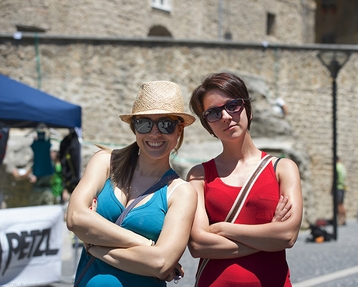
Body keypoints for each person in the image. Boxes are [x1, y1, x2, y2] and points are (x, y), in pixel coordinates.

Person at [66, 81, 197, 287]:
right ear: (134, 127)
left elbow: (161, 264)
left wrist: (93, 245)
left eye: (166, 124)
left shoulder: (181, 192)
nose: (155, 133)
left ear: (179, 130)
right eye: (144, 123)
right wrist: (145, 244)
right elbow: (74, 218)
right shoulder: (105, 163)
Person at [187, 72, 303, 286]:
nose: (225, 116)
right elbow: (197, 244)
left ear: (247, 109)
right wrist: (269, 237)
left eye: (232, 105)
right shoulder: (198, 175)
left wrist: (222, 229)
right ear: (208, 125)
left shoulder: (283, 169)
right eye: (213, 112)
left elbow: (287, 236)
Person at [336, 156, 347, 226]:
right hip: (343, 187)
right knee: (342, 204)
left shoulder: (337, 166)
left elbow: (335, 178)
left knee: (338, 204)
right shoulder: (343, 166)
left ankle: (340, 220)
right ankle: (344, 218)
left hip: (338, 187)